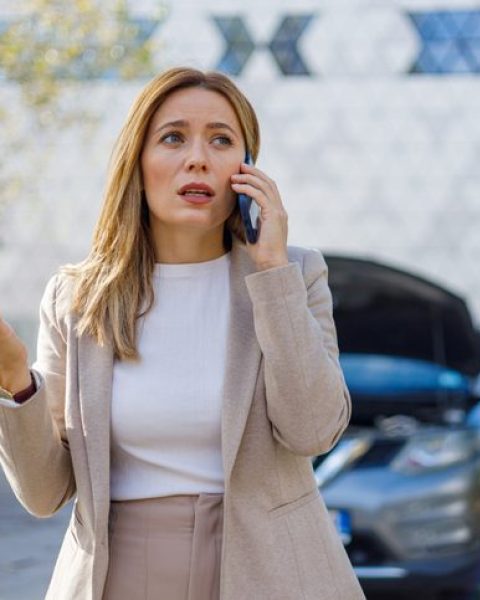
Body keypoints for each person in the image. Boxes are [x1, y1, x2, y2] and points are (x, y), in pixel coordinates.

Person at [0, 67, 365, 600]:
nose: (198, 157)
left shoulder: (295, 274)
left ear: (247, 170)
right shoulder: (76, 298)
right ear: (137, 163)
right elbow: (45, 492)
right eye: (173, 137)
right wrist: (15, 378)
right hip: (117, 575)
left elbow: (312, 430)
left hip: (270, 573)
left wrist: (273, 274)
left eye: (221, 140)